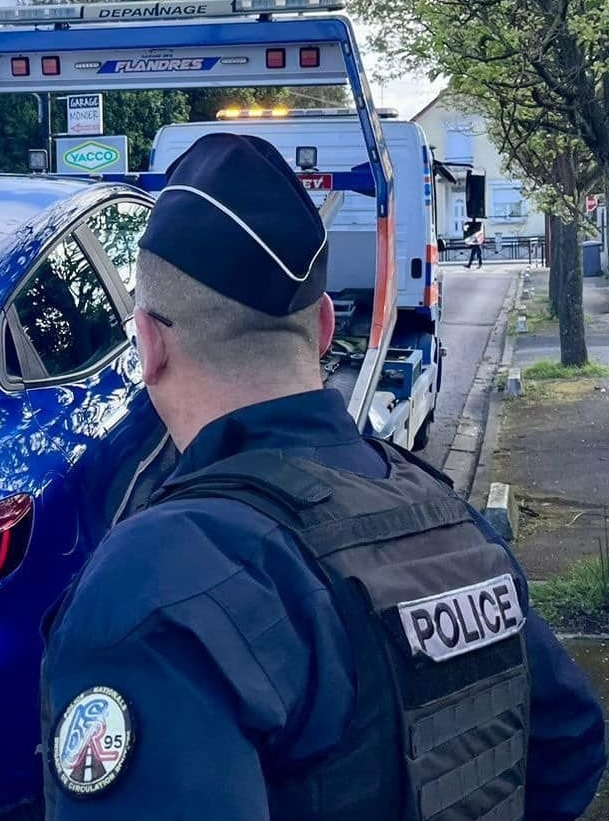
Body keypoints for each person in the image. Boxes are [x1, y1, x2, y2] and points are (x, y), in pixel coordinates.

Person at [39, 133, 605, 821]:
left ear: (149, 344)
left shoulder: (155, 585)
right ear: (323, 327)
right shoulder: (446, 519)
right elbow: (568, 743)